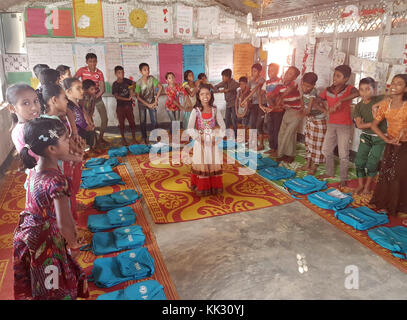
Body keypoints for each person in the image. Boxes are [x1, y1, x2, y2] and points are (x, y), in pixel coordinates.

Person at [13, 117, 89, 300]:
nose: (69, 142)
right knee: (54, 284)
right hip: (47, 242)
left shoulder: (34, 170)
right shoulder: (57, 182)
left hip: (30, 235)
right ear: (52, 149)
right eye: (65, 139)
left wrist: (76, 157)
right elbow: (63, 224)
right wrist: (73, 244)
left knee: (44, 280)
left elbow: (59, 154)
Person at [369, 74, 407, 215]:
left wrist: (404, 131)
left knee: (397, 174)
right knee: (386, 172)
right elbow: (374, 125)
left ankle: (396, 206)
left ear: (406, 89)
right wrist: (385, 139)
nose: (394, 86)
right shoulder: (386, 104)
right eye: (393, 82)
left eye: (399, 84)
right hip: (391, 142)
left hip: (404, 145)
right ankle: (383, 203)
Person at [319, 65, 360, 186]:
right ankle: (329, 172)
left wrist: (341, 101)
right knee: (326, 149)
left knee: (343, 153)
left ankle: (343, 178)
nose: (335, 78)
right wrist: (324, 110)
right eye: (334, 75)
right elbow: (317, 100)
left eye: (338, 76)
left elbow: (357, 93)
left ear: (346, 79)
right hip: (331, 124)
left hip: (344, 126)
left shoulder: (349, 89)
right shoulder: (328, 90)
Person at [187, 84, 226, 196]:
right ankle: (202, 186)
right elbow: (190, 128)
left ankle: (213, 186)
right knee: (202, 162)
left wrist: (217, 139)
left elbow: (223, 126)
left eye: (207, 94)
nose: (205, 96)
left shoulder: (214, 110)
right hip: (201, 142)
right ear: (198, 96)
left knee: (212, 163)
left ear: (211, 95)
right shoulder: (196, 111)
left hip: (213, 141)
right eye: (202, 94)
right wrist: (199, 139)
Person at [352, 77, 386, 194]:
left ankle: (367, 187)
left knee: (372, 163)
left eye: (367, 89)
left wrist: (375, 106)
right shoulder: (358, 106)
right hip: (365, 136)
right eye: (361, 90)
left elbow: (392, 96)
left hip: (380, 138)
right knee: (359, 162)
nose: (364, 93)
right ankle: (360, 185)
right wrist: (374, 123)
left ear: (374, 90)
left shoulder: (379, 98)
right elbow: (359, 125)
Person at [268, 66, 302, 163]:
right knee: (282, 133)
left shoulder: (294, 84)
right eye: (287, 72)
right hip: (288, 110)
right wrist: (273, 105)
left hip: (297, 112)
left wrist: (280, 98)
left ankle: (281, 155)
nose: (287, 74)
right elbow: (270, 96)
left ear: (294, 77)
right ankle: (288, 154)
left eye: (291, 74)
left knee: (289, 134)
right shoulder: (279, 86)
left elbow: (288, 91)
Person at [74, 53, 109, 146]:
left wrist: (94, 97)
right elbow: (73, 82)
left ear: (97, 61)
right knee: (88, 120)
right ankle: (93, 142)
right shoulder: (82, 70)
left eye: (94, 61)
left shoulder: (99, 73)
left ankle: (100, 138)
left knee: (105, 119)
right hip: (84, 100)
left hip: (97, 98)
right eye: (90, 61)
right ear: (86, 62)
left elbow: (103, 89)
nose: (92, 63)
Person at [299, 72, 326, 174]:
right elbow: (302, 102)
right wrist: (302, 109)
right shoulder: (302, 89)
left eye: (308, 86)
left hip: (319, 121)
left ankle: (314, 166)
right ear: (302, 82)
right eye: (304, 85)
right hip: (310, 119)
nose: (305, 88)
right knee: (308, 142)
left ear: (313, 86)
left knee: (317, 145)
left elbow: (309, 108)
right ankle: (308, 164)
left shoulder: (313, 92)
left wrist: (301, 114)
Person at [7, 84, 41, 161]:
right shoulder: (25, 130)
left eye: (36, 101)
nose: (34, 107)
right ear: (12, 108)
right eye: (26, 103)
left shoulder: (33, 124)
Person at [134, 62, 163, 145]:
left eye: (148, 69)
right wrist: (148, 105)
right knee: (142, 121)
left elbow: (160, 87)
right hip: (142, 104)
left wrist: (156, 98)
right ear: (140, 72)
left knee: (154, 121)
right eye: (145, 70)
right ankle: (144, 138)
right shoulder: (138, 82)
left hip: (151, 102)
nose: (147, 71)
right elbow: (138, 97)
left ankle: (154, 137)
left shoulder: (152, 79)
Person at [112, 66, 136, 146]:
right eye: (119, 73)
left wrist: (131, 90)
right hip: (120, 107)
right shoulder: (115, 84)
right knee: (121, 124)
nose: (121, 74)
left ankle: (134, 138)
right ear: (115, 74)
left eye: (122, 72)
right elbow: (116, 96)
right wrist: (128, 99)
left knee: (132, 122)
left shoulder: (126, 80)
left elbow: (134, 83)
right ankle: (123, 139)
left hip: (129, 106)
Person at [259, 63, 281, 152]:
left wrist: (275, 106)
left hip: (278, 110)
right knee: (270, 128)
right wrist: (261, 105)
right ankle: (272, 148)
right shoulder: (267, 82)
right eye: (268, 70)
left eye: (272, 70)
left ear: (277, 71)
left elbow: (281, 96)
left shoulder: (280, 82)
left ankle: (277, 148)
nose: (269, 72)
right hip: (269, 109)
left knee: (277, 129)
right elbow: (261, 94)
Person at [213, 69, 240, 139]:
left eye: (223, 77)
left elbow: (238, 85)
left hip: (234, 104)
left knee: (234, 120)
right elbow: (215, 87)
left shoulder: (234, 82)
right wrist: (218, 90)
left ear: (228, 77)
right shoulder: (223, 83)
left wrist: (227, 90)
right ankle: (227, 134)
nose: (222, 78)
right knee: (227, 119)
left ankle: (236, 135)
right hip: (228, 104)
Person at [164, 72, 186, 137]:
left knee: (177, 121)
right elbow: (172, 100)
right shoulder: (167, 89)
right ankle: (173, 134)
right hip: (169, 107)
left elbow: (184, 92)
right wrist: (181, 107)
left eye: (173, 77)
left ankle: (174, 133)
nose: (172, 79)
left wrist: (185, 95)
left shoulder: (178, 85)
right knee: (174, 121)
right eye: (170, 78)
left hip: (177, 107)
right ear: (167, 81)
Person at [247, 63, 266, 137]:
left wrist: (246, 99)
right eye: (252, 71)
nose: (253, 73)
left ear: (260, 72)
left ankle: (261, 143)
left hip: (262, 104)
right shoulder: (251, 81)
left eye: (255, 71)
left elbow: (255, 90)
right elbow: (248, 90)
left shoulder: (262, 80)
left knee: (259, 124)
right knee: (252, 123)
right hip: (254, 104)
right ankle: (252, 142)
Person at [80, 79, 97, 150]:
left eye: (95, 89)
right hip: (82, 118)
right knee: (84, 133)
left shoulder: (93, 96)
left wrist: (90, 119)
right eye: (92, 89)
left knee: (92, 130)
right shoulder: (81, 97)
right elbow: (82, 110)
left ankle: (92, 147)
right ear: (85, 90)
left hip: (88, 116)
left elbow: (92, 108)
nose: (94, 91)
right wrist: (87, 120)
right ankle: (85, 149)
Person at [235, 76, 251, 144]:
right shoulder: (239, 91)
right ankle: (243, 138)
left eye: (243, 84)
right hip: (241, 109)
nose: (241, 86)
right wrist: (236, 111)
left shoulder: (249, 92)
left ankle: (247, 139)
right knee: (241, 124)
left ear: (246, 84)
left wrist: (244, 113)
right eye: (240, 84)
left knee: (247, 125)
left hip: (248, 110)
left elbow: (247, 104)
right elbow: (236, 101)